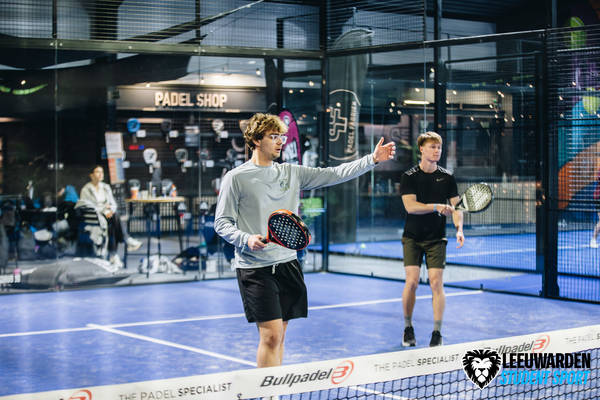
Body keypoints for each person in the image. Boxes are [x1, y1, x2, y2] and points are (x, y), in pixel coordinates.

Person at [215, 113, 395, 368]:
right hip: (255, 268)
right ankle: (266, 389)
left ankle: (273, 386)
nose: (280, 141)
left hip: (288, 263)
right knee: (271, 335)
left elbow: (334, 174)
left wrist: (372, 159)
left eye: (282, 136)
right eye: (273, 136)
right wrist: (245, 239)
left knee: (280, 335)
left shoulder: (292, 172)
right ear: (256, 140)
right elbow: (222, 222)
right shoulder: (236, 178)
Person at [399, 131, 464, 347]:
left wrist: (459, 229)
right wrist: (436, 206)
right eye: (432, 147)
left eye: (439, 147)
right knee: (412, 282)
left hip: (437, 238)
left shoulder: (447, 177)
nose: (437, 151)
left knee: (436, 283)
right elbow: (410, 207)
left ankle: (437, 333)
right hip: (412, 237)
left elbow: (457, 207)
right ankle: (408, 328)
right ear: (421, 149)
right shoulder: (409, 176)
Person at [77, 166, 142, 266]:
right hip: (95, 217)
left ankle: (113, 255)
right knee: (114, 219)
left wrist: (110, 209)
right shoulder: (86, 189)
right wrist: (103, 208)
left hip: (108, 215)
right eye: (97, 172)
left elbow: (113, 204)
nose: (101, 174)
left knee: (112, 223)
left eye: (102, 172)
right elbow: (85, 206)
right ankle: (125, 241)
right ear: (91, 175)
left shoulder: (106, 187)